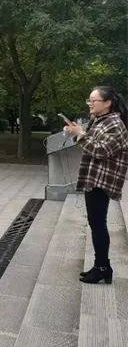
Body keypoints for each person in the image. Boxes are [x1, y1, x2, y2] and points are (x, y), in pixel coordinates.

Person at [65, 86, 128, 284]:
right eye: (89, 100)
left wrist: (81, 134)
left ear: (107, 103)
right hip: (94, 178)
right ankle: (101, 265)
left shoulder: (114, 124)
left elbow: (100, 151)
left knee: (98, 224)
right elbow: (90, 141)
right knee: (96, 223)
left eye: (94, 101)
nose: (90, 104)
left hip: (103, 180)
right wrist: (76, 132)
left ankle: (102, 268)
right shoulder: (100, 120)